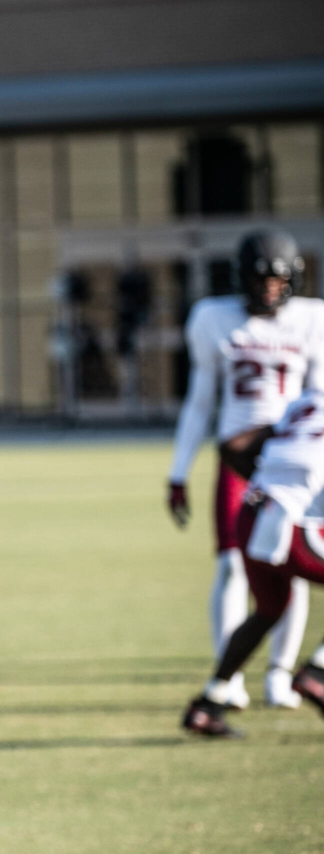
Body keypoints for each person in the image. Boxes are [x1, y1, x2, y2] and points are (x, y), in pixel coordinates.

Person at [167, 230, 324, 709]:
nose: (269, 288)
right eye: (260, 279)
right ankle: (229, 677)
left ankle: (279, 675)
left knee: (289, 571)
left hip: (294, 457)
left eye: (278, 279)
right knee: (232, 565)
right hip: (240, 458)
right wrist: (179, 471)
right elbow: (200, 401)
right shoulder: (214, 318)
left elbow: (318, 397)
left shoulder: (311, 319)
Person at [182, 389, 324, 737]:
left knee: (269, 609)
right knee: (269, 609)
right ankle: (317, 673)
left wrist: (272, 481)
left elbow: (234, 445)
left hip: (251, 513)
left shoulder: (309, 401)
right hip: (290, 522)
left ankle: (208, 704)